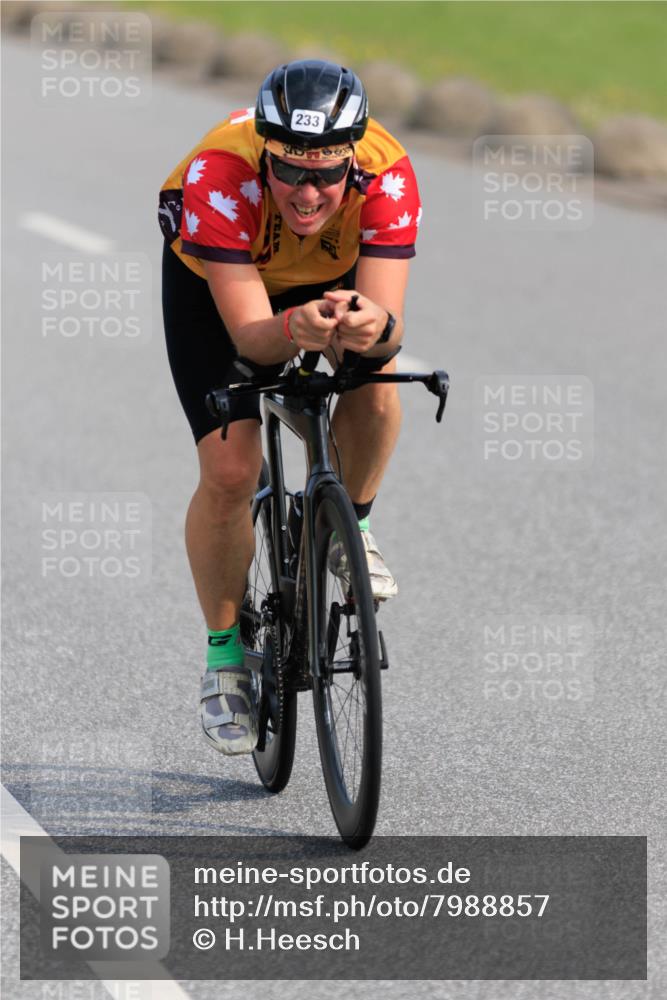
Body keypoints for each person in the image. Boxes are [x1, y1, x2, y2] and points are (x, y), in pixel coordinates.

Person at [159, 60, 422, 756]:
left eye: (328, 174)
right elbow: (250, 337)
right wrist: (292, 330)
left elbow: (390, 321)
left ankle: (348, 529)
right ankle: (223, 660)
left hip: (325, 275)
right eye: (290, 171)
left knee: (377, 373)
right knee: (229, 468)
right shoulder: (219, 175)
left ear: (353, 165)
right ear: (265, 157)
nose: (309, 191)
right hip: (222, 289)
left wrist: (370, 326)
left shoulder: (389, 172)